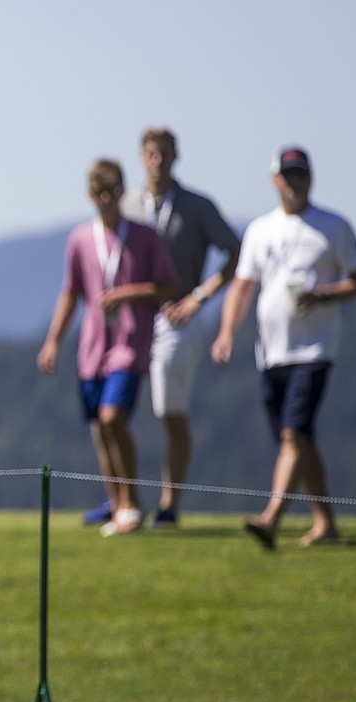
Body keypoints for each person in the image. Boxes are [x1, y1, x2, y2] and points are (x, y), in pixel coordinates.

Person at [212, 146, 356, 549]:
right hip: (271, 352)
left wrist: (323, 296)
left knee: (292, 436)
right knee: (301, 440)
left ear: (310, 178)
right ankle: (326, 524)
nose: (295, 181)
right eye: (288, 175)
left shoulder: (333, 226)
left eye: (301, 174)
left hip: (314, 349)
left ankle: (271, 519)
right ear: (275, 180)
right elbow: (244, 285)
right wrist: (227, 332)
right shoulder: (260, 230)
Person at [38, 159, 179, 536]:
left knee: (113, 418)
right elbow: (71, 292)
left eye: (113, 193)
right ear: (90, 196)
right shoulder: (80, 240)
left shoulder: (145, 237)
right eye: (100, 194)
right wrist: (52, 340)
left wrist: (128, 294)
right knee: (99, 430)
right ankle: (117, 505)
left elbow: (168, 287)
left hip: (131, 344)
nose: (106, 200)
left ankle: (131, 502)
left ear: (121, 193)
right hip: (93, 349)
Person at [119, 127, 241, 528]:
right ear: (142, 157)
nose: (158, 161)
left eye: (165, 154)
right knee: (114, 409)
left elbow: (235, 252)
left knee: (168, 410)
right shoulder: (128, 205)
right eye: (152, 154)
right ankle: (122, 498)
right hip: (132, 320)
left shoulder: (196, 206)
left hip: (177, 317)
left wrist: (200, 297)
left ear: (176, 157)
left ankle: (169, 503)